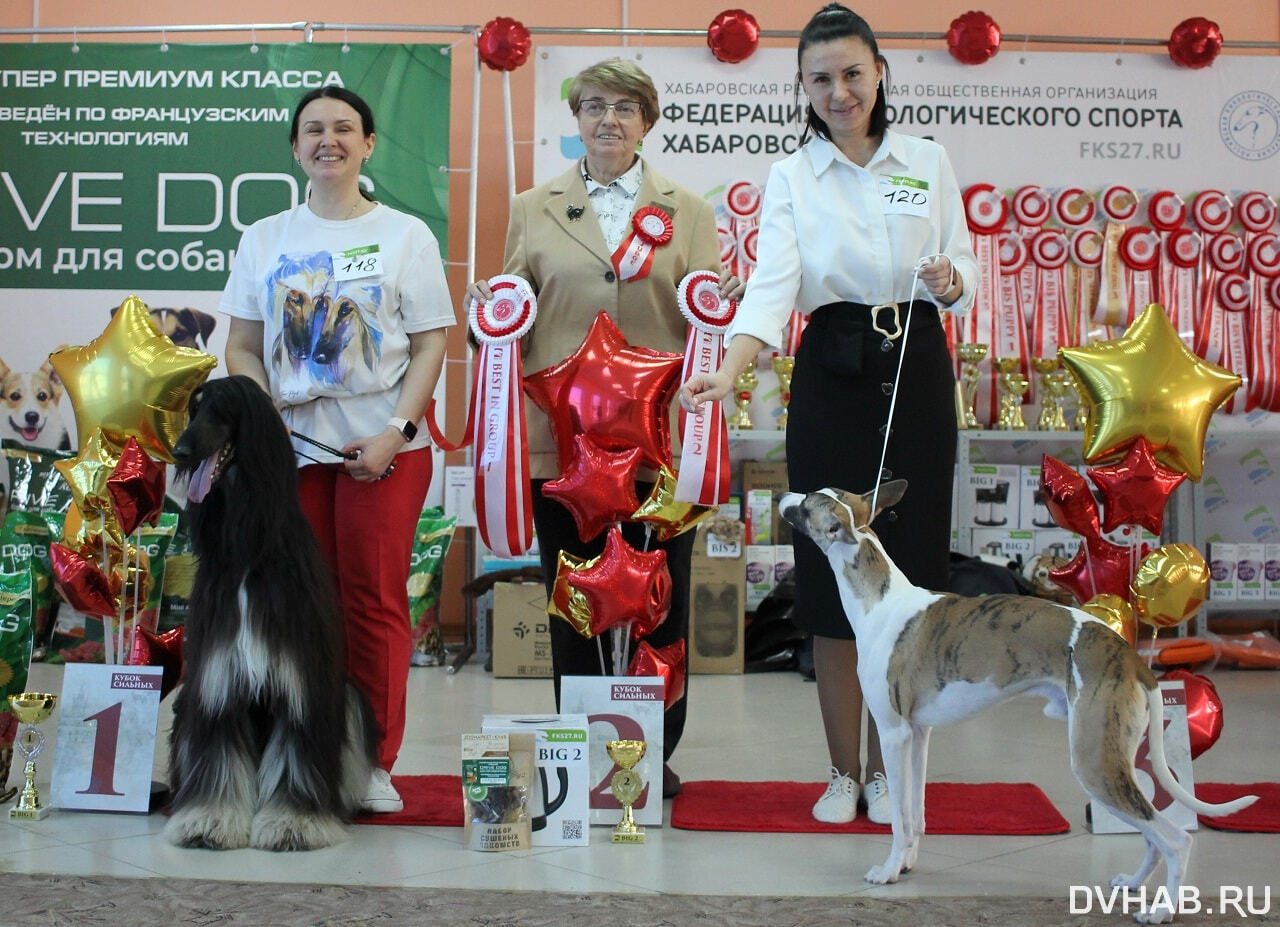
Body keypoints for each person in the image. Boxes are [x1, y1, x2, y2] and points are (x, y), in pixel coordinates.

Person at [681, 4, 977, 825]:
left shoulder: (928, 159)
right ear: (802, 89)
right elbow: (772, 284)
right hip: (832, 370)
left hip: (914, 362)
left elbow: (963, 257)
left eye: (852, 72)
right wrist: (727, 371)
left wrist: (955, 281)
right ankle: (844, 772)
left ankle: (894, 775)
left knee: (908, 579)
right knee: (835, 580)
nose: (840, 91)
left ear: (880, 71)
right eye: (821, 78)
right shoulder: (793, 176)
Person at [468, 58, 742, 798]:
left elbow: (706, 314)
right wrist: (486, 321)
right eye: (593, 106)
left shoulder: (688, 209)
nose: (608, 121)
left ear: (647, 122)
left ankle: (654, 746)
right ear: (577, 120)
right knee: (575, 596)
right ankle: (586, 747)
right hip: (564, 447)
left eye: (625, 108)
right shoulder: (533, 206)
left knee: (661, 599)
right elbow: (512, 309)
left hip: (660, 444)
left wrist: (727, 307)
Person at [222, 86, 455, 814]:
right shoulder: (263, 236)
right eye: (314, 129)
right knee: (300, 605)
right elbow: (240, 345)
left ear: (370, 144)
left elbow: (431, 342)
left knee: (373, 600)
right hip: (289, 455)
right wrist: (261, 421)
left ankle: (375, 760)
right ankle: (307, 752)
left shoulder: (405, 234)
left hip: (381, 449)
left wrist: (396, 432)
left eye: (344, 128)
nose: (329, 140)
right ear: (295, 147)